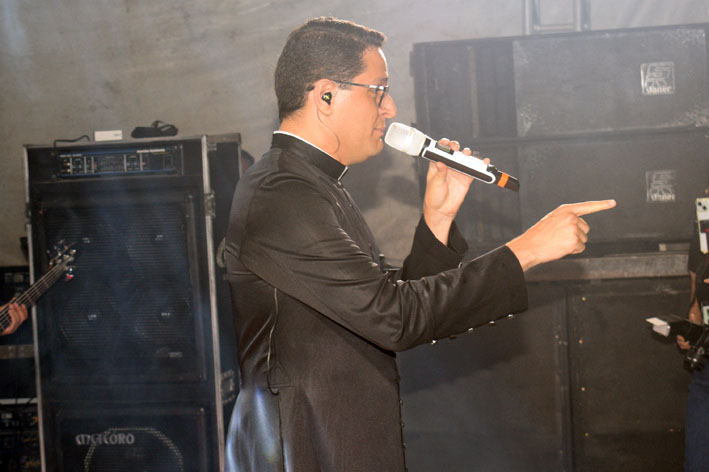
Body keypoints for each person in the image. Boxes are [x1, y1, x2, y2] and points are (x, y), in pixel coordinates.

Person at [224, 17, 615, 471]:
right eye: (378, 91)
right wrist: (526, 250)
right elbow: (393, 317)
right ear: (326, 95)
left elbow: (380, 305)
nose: (390, 108)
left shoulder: (313, 184)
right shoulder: (282, 192)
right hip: (304, 448)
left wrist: (437, 219)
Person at [677, 183, 709, 472]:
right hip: (706, 371)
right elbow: (695, 298)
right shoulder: (701, 235)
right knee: (697, 461)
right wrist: (691, 331)